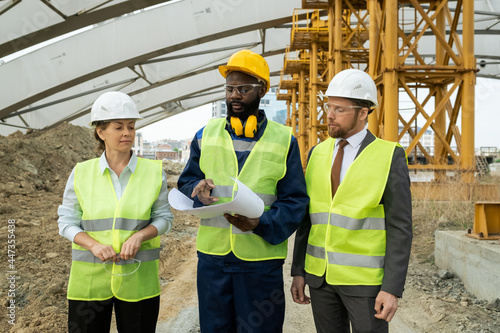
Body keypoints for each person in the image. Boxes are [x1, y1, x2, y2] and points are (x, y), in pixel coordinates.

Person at [177, 49, 309, 332]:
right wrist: (194, 189)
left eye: (243, 89)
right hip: (213, 261)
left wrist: (261, 223)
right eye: (230, 88)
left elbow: (295, 201)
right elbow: (187, 180)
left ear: (261, 90)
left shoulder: (284, 140)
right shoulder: (205, 135)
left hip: (261, 263)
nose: (234, 95)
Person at [290, 69, 412, 333]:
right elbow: (307, 220)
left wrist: (391, 288)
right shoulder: (317, 153)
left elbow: (400, 228)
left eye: (339, 109)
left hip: (365, 283)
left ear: (363, 112)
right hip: (320, 279)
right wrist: (298, 271)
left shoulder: (389, 155)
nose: (330, 115)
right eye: (328, 106)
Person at [57, 91, 174, 333]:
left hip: (138, 281)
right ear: (101, 132)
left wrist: (140, 236)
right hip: (89, 283)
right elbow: (66, 222)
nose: (127, 133)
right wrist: (94, 246)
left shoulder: (153, 172)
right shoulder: (81, 172)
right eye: (118, 127)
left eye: (131, 127)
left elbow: (164, 218)